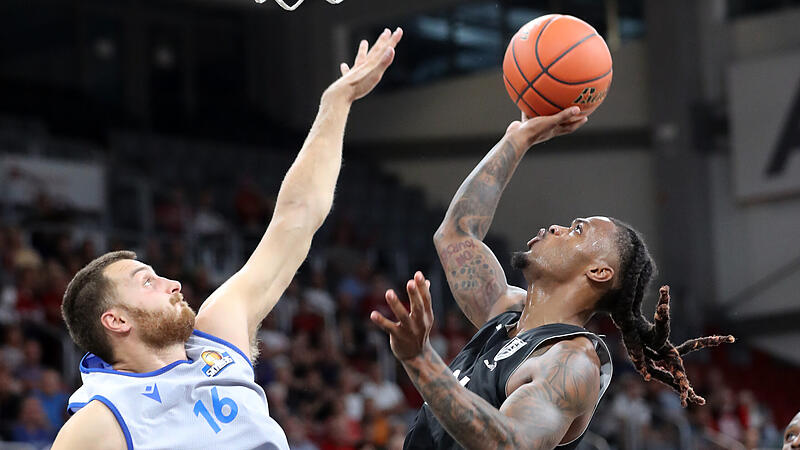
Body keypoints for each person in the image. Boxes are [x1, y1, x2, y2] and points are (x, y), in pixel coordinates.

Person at [52, 27, 404, 450]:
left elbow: (296, 218)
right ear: (116, 321)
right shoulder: (100, 421)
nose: (173, 283)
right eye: (147, 281)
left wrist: (336, 103)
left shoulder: (215, 335)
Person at [370, 109, 735, 450]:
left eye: (577, 230)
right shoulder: (507, 312)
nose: (557, 227)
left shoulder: (571, 361)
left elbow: (510, 444)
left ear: (598, 272)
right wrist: (518, 139)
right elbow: (456, 234)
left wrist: (420, 359)